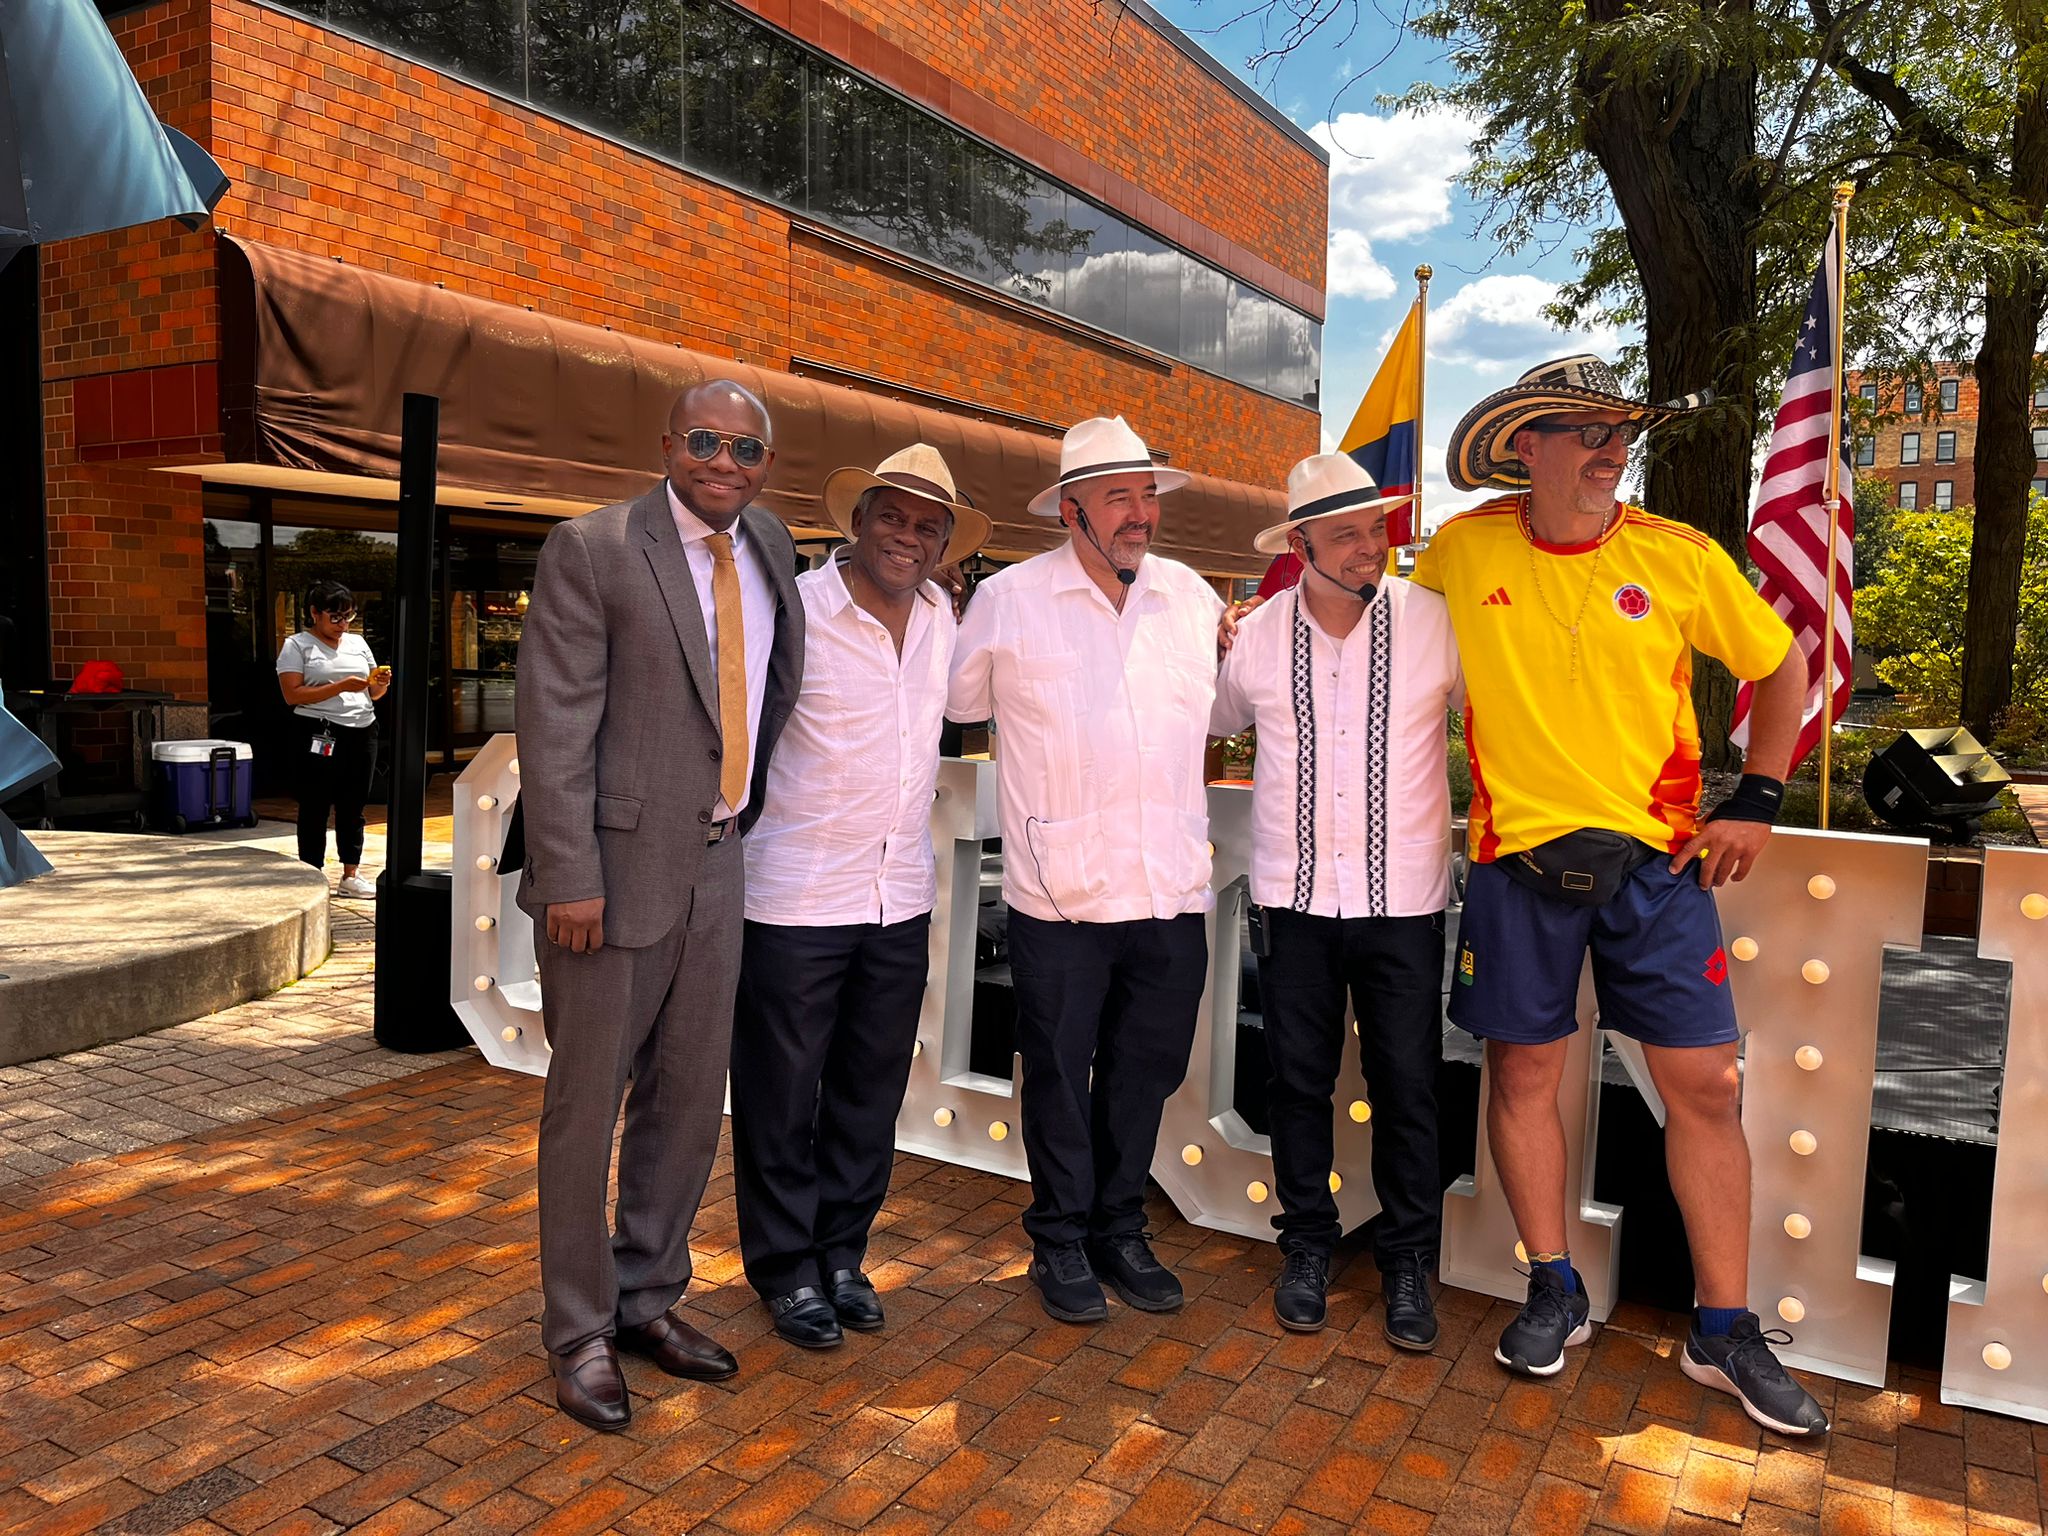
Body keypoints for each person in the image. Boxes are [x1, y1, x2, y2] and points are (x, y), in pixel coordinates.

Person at [1416, 354, 1824, 1435]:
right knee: (1522, 1076)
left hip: (1656, 866)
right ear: (1526, 447)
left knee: (1701, 1087)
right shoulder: (1461, 549)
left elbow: (1781, 667)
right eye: (1586, 431)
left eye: (1619, 432)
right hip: (1515, 865)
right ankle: (1551, 1285)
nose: (1610, 451)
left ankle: (1723, 1329)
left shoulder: (1676, 555)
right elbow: (1387, 656)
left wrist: (1760, 795)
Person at [513, 379, 803, 1431]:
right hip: (608, 878)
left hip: (721, 865)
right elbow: (553, 727)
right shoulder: (592, 549)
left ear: (767, 463)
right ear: (667, 443)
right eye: (704, 440)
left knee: (686, 1103)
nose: (724, 462)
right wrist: (569, 875)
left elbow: (770, 693)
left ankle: (647, 1298)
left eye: (746, 448)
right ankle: (578, 1330)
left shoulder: (771, 549)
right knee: (584, 1112)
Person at [947, 415, 1223, 1324]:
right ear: (1071, 510)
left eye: (1148, 494)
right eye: (1120, 497)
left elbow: (1222, 716)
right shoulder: (1011, 600)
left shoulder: (1189, 597)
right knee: (1060, 1074)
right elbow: (954, 701)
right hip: (1058, 894)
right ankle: (1059, 1239)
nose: (1142, 512)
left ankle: (1120, 1227)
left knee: (1147, 1068)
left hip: (1170, 888)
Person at [731, 444, 992, 1350]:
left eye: (928, 526)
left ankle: (842, 1253)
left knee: (868, 1093)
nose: (908, 537)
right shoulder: (793, 610)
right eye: (894, 515)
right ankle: (784, 1269)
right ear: (858, 518)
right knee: (780, 1095)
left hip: (897, 897)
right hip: (795, 894)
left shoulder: (946, 620)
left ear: (945, 544)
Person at [1211, 454, 1461, 1345]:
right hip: (1295, 898)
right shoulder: (1260, 637)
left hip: (1405, 899)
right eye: (1349, 532)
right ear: (1304, 542)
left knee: (1409, 1086)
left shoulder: (1438, 623)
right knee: (1296, 1083)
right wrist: (1210, 635)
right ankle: (1307, 1244)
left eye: (1378, 528)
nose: (1371, 546)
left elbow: (1502, 721)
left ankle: (1406, 1263)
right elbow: (1210, 721)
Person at [275, 580, 389, 896]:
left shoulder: (358, 643)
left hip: (362, 729)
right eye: (335, 617)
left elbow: (373, 693)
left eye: (348, 617)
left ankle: (351, 874)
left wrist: (380, 683)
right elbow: (291, 694)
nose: (342, 625)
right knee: (315, 804)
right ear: (314, 613)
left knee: (354, 804)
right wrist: (339, 686)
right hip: (319, 730)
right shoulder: (296, 646)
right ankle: (312, 874)